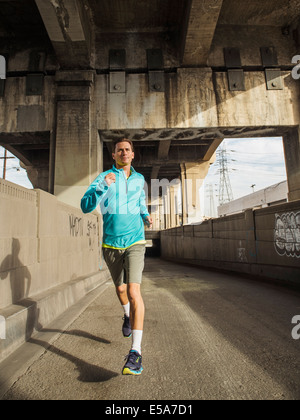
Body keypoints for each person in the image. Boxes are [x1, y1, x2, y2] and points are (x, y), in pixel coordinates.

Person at [81, 138, 153, 375]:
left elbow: (140, 201)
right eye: (119, 150)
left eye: (127, 150)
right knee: (121, 290)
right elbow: (85, 205)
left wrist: (145, 215)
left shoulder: (139, 179)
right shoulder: (104, 178)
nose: (124, 152)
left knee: (134, 291)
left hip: (135, 240)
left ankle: (136, 353)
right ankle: (126, 316)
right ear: (113, 155)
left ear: (133, 155)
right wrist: (101, 186)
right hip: (110, 244)